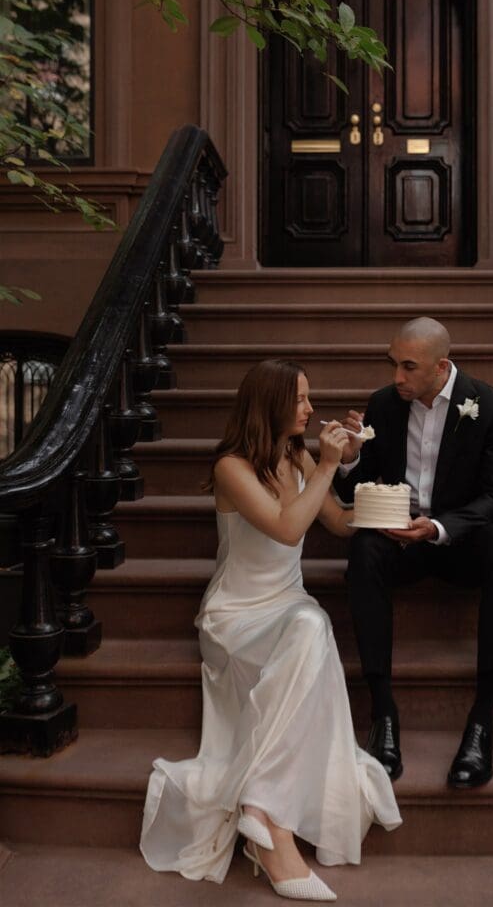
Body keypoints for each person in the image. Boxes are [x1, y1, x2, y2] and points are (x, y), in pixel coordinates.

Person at [140, 359, 401, 900]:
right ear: (272, 404)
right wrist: (327, 465)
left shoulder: (296, 455)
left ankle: (260, 809)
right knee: (312, 627)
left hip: (287, 604)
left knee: (310, 624)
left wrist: (387, 507)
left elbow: (338, 522)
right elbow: (287, 529)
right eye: (301, 399)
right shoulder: (231, 467)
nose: (310, 408)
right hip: (236, 614)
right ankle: (268, 829)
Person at [334, 317, 493, 788]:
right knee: (363, 550)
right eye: (393, 364)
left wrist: (439, 527)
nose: (396, 376)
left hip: (456, 541)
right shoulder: (384, 403)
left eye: (408, 366)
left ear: (442, 367)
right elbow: (356, 492)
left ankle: (483, 720)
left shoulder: (492, 406)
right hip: (402, 544)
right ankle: (383, 714)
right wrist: (351, 458)